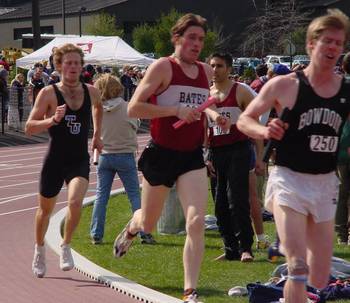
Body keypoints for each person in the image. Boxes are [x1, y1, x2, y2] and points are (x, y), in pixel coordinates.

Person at [113, 13, 228, 303]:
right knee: (148, 224)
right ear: (176, 38)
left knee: (196, 222)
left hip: (191, 157)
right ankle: (132, 227)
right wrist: (174, 111)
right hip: (161, 154)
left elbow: (201, 106)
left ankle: (190, 291)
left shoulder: (204, 70)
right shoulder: (162, 67)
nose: (197, 44)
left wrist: (214, 115)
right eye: (191, 37)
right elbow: (134, 108)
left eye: (201, 39)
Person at [237, 9, 350, 303]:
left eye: (339, 43)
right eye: (328, 41)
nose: (334, 48)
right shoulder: (285, 86)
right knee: (298, 267)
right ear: (311, 45)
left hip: (325, 183)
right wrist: (264, 131)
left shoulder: (346, 91)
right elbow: (244, 120)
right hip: (289, 179)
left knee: (320, 275)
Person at [25, 43, 103, 278]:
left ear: (82, 66)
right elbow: (29, 127)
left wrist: (97, 135)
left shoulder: (91, 90)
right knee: (44, 210)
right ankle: (39, 249)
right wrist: (51, 120)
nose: (73, 67)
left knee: (76, 202)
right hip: (55, 160)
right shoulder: (49, 93)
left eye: (77, 63)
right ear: (59, 65)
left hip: (78, 159)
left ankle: (66, 245)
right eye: (68, 63)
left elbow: (98, 108)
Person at [206, 53, 264, 262]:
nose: (214, 70)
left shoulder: (241, 91)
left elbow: (256, 124)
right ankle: (230, 248)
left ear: (229, 69)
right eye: (211, 65)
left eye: (219, 66)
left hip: (239, 149)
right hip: (216, 152)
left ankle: (245, 247)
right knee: (219, 202)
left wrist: (260, 158)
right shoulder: (207, 94)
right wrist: (206, 155)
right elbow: (205, 128)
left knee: (236, 199)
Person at [90, 74, 155, 245]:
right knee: (134, 195)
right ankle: (144, 233)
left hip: (104, 155)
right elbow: (135, 124)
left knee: (101, 196)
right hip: (125, 154)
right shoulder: (127, 107)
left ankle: (96, 233)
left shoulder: (97, 108)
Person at [335, 51, 350, 245]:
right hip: (344, 144)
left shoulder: (336, 87)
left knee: (341, 191)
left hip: (338, 146)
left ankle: (341, 235)